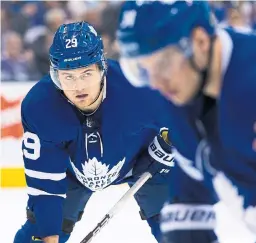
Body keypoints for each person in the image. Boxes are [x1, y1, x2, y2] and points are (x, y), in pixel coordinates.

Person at [117, 1, 256, 243]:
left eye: (163, 63)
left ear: (200, 41)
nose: (155, 82)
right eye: (140, 69)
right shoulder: (182, 87)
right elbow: (189, 192)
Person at [13, 21, 175, 243]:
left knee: (181, 226)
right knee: (38, 234)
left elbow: (191, 114)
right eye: (68, 76)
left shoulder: (137, 88)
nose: (78, 86)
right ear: (55, 75)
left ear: (102, 68)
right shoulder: (40, 106)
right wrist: (48, 234)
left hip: (145, 163)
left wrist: (171, 144)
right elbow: (45, 185)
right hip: (72, 172)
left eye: (86, 73)